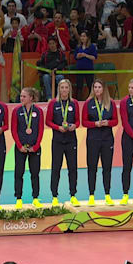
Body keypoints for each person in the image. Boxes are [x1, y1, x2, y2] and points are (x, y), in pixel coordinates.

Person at [83, 79, 119, 206]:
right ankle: (91, 195)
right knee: (92, 168)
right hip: (93, 139)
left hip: (107, 139)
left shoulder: (111, 103)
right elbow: (84, 122)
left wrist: (108, 123)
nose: (97, 89)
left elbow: (116, 121)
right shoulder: (88, 103)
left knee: (107, 168)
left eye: (99, 87)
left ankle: (107, 195)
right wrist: (95, 124)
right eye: (95, 87)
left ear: (104, 89)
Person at [46, 79, 81, 207]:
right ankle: (54, 196)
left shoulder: (74, 103)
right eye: (62, 88)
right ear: (59, 89)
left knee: (73, 168)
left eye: (66, 87)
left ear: (69, 89)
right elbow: (48, 121)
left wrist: (74, 126)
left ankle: (73, 195)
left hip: (71, 139)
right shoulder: (53, 104)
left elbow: (78, 121)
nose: (64, 90)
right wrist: (57, 127)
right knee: (56, 168)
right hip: (58, 140)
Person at [11, 87, 45, 209]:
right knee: (18, 173)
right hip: (20, 148)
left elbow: (41, 130)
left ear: (31, 97)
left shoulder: (39, 111)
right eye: (20, 96)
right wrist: (19, 146)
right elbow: (14, 130)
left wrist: (36, 146)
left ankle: (35, 198)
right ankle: (18, 199)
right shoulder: (16, 111)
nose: (21, 98)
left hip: (34, 148)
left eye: (24, 96)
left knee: (35, 173)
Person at [74, 31, 97, 100]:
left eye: (84, 36)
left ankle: (92, 99)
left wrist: (86, 55)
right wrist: (78, 56)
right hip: (79, 68)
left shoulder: (92, 47)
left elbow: (94, 57)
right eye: (81, 36)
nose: (82, 38)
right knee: (79, 86)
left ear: (87, 38)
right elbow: (75, 57)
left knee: (90, 85)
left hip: (88, 68)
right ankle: (79, 100)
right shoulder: (78, 47)